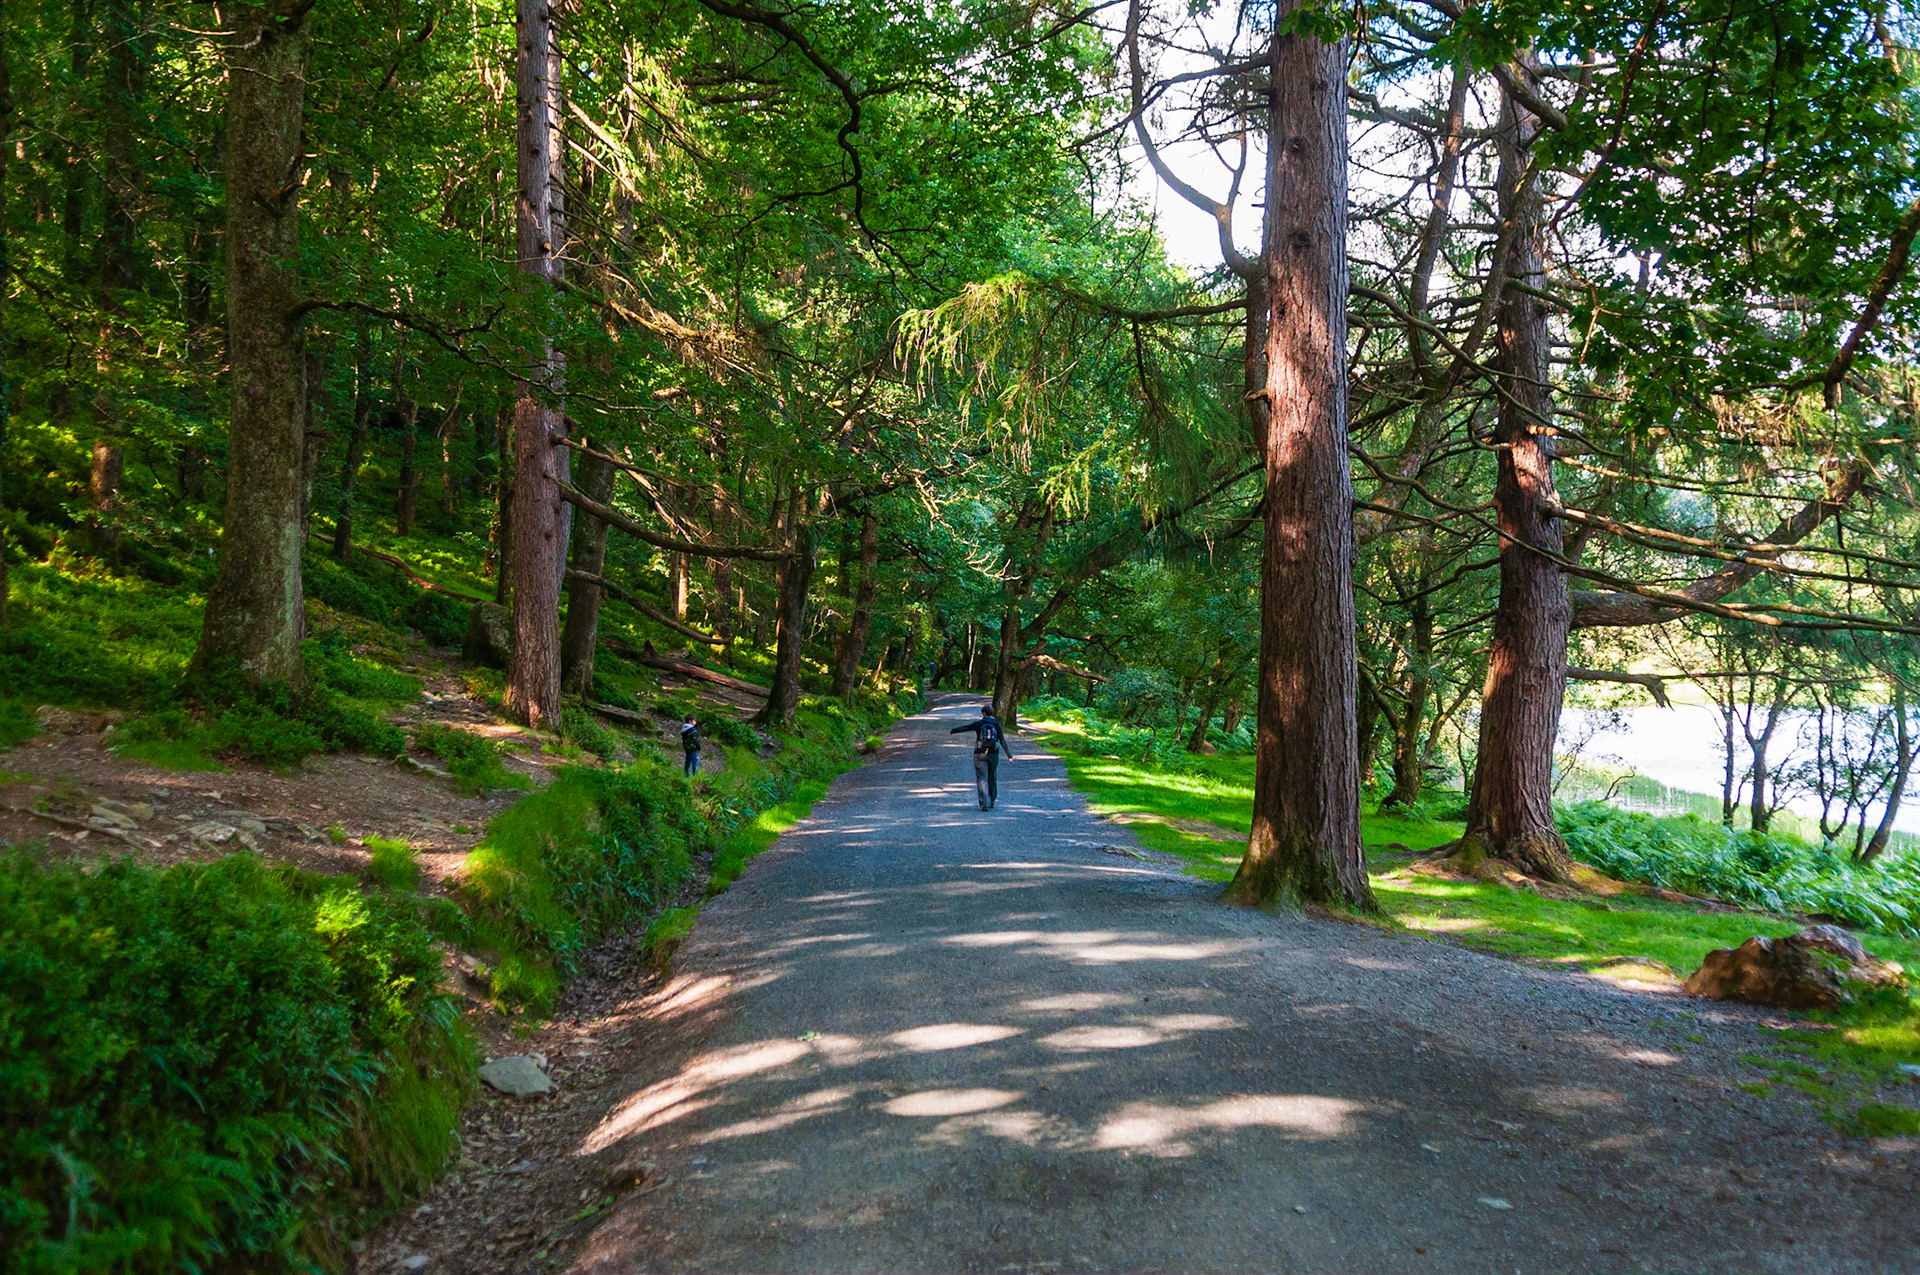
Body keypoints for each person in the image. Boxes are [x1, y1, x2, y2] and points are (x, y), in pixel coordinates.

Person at [950, 705, 1013, 810]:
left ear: (983, 713)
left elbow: (966, 727)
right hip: (994, 754)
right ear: (992, 713)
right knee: (992, 777)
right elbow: (1002, 739)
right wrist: (1009, 755)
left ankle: (983, 803)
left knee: (982, 778)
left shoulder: (979, 723)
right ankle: (991, 802)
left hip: (979, 753)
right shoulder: (996, 724)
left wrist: (953, 730)